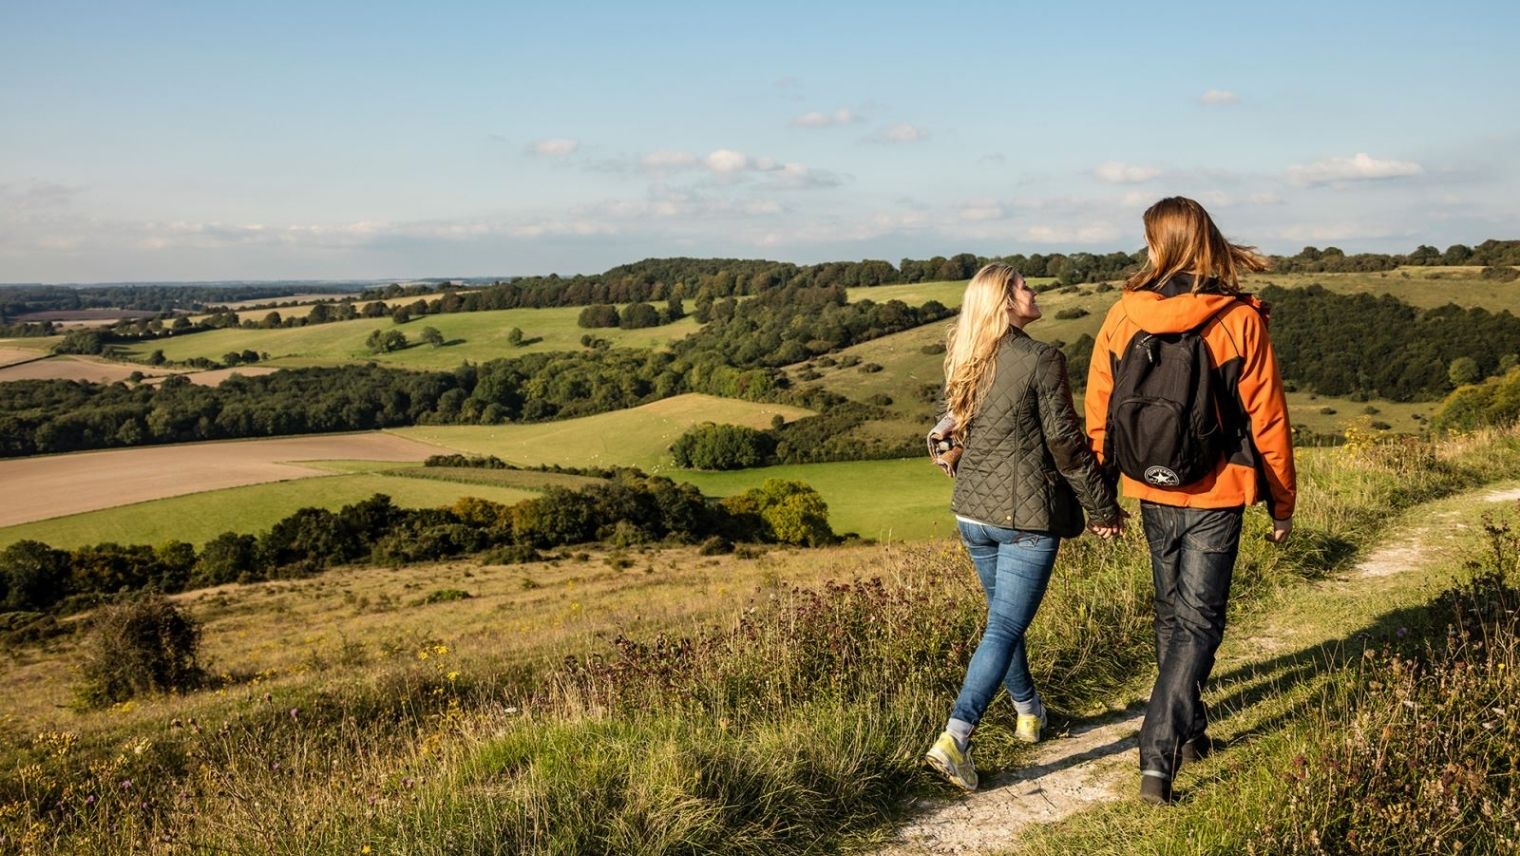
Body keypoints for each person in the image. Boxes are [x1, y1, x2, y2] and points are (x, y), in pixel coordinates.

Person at [1083, 196, 1296, 805]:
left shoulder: (1123, 315)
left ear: (1162, 246)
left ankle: (1191, 732)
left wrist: (1103, 498)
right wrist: (1281, 503)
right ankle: (1158, 756)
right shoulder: (1239, 319)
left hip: (1149, 485)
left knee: (1173, 614)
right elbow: (1269, 421)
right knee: (1198, 620)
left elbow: (1099, 412)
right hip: (1218, 488)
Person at [923, 263, 1124, 792]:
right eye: (1025, 286)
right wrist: (1103, 508)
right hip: (1023, 518)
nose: (1035, 292)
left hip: (971, 513)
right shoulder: (1041, 359)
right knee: (1005, 628)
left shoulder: (969, 357)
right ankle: (956, 738)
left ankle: (1029, 713)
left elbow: (950, 429)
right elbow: (1066, 445)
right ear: (1007, 301)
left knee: (1002, 623)